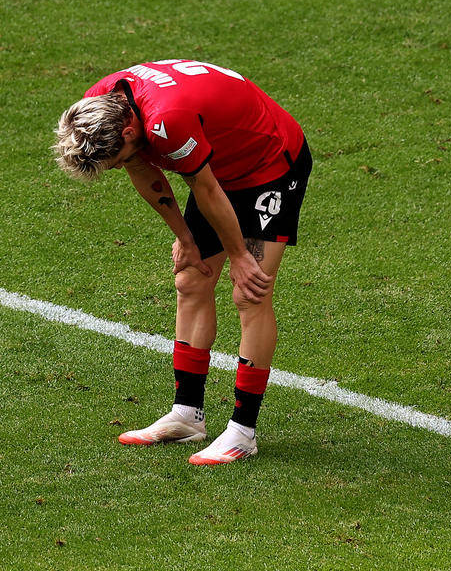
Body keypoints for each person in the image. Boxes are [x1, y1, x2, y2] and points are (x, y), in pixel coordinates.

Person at [53, 60, 312, 466]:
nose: (121, 166)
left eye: (117, 159)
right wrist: (185, 238)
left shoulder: (166, 122)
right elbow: (140, 166)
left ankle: (243, 433)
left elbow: (204, 188)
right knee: (192, 279)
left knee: (251, 291)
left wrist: (242, 257)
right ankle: (188, 415)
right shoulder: (101, 103)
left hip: (269, 165)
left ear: (128, 131)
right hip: (216, 163)